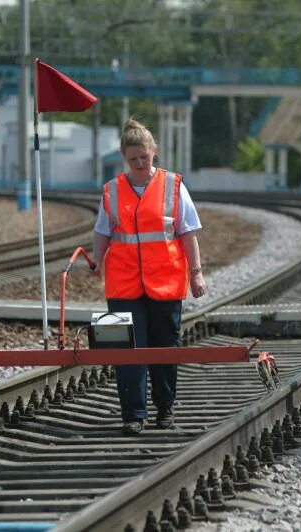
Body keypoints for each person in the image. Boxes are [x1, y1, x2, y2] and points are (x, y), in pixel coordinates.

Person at [92, 118, 207, 435]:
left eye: (144, 157)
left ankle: (165, 408)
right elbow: (103, 231)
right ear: (124, 160)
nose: (140, 164)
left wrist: (196, 274)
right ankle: (133, 413)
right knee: (124, 349)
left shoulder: (173, 186)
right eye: (133, 160)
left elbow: (188, 233)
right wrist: (96, 261)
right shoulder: (112, 190)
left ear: (154, 152)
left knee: (164, 348)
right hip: (122, 283)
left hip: (166, 281)